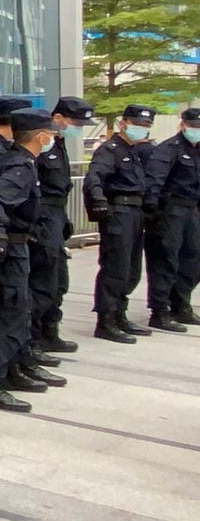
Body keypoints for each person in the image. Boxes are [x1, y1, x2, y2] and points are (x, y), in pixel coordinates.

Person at [0, 109, 65, 411]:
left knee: (17, 311)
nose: (53, 138)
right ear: (40, 136)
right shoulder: (19, 165)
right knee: (6, 313)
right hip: (10, 250)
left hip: (19, 245)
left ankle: (11, 370)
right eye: (50, 133)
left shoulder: (19, 160)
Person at [86, 103, 158, 343]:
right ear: (124, 122)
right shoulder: (111, 150)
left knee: (131, 269)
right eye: (137, 123)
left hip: (135, 212)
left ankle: (119, 313)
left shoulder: (135, 150)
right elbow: (94, 177)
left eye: (146, 125)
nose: (142, 128)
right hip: (118, 211)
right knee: (116, 266)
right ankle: (106, 320)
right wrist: (98, 202)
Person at [30, 97, 94, 355]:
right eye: (75, 122)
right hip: (43, 215)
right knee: (42, 279)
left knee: (58, 279)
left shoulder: (59, 144)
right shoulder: (42, 147)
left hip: (56, 213)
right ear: (57, 119)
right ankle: (33, 339)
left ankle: (49, 330)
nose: (78, 127)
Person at [143, 107, 200, 333]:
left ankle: (180, 303)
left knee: (193, 258)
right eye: (193, 126)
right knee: (165, 259)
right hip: (170, 210)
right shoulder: (169, 149)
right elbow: (155, 180)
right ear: (183, 125)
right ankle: (160, 310)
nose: (197, 130)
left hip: (192, 210)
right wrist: (153, 211)